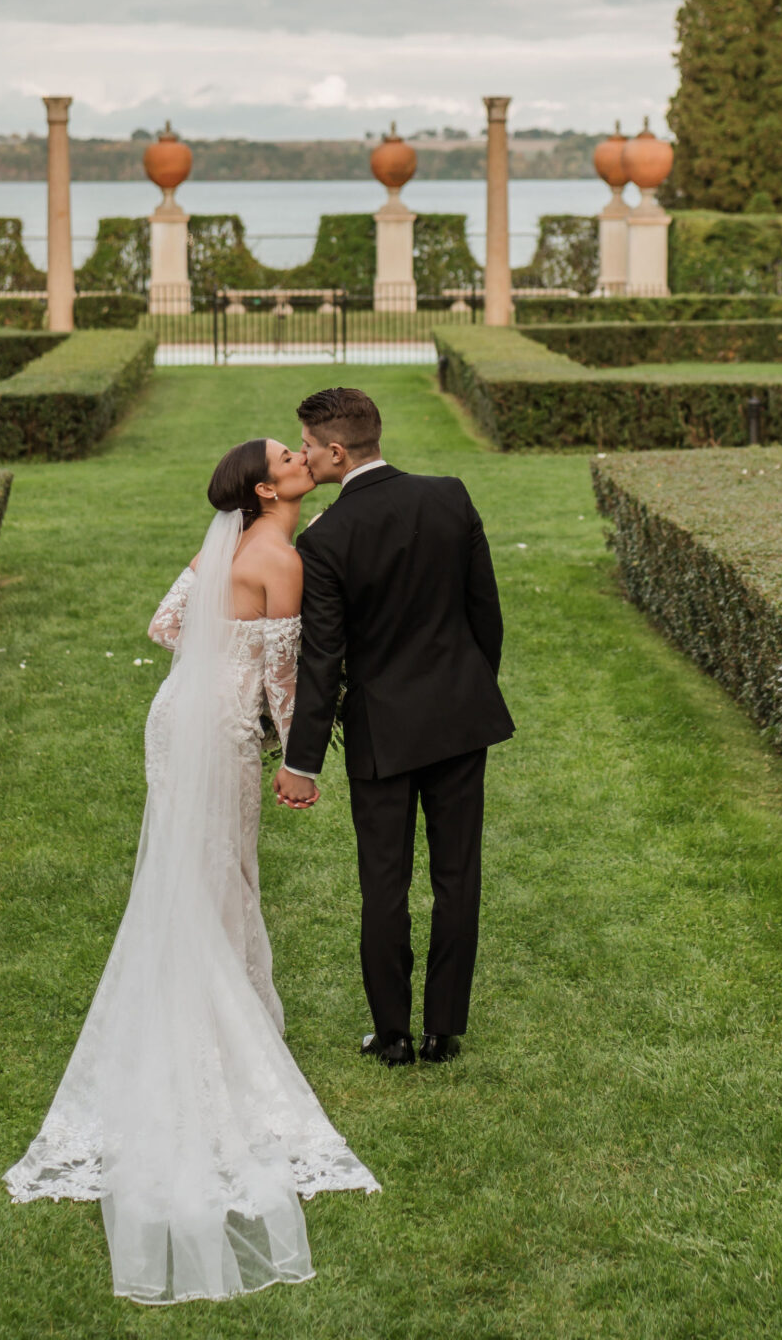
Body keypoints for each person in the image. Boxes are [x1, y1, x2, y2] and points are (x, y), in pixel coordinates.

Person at [5, 438, 378, 1307]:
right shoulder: (279, 557)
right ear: (266, 486)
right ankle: (217, 1028)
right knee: (218, 875)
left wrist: (221, 650)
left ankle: (206, 1000)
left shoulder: (228, 545)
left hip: (176, 715)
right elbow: (286, 682)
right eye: (290, 456)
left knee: (195, 872)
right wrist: (301, 758)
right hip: (219, 733)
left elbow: (167, 626)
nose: (301, 458)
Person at [274, 388, 514, 1068]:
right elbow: (483, 615)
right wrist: (468, 687)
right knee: (456, 875)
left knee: (383, 883)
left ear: (337, 450)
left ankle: (392, 1035)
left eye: (310, 445)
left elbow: (323, 659)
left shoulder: (325, 539)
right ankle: (443, 1029)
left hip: (382, 733)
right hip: (459, 719)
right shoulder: (449, 495)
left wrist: (302, 760)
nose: (306, 455)